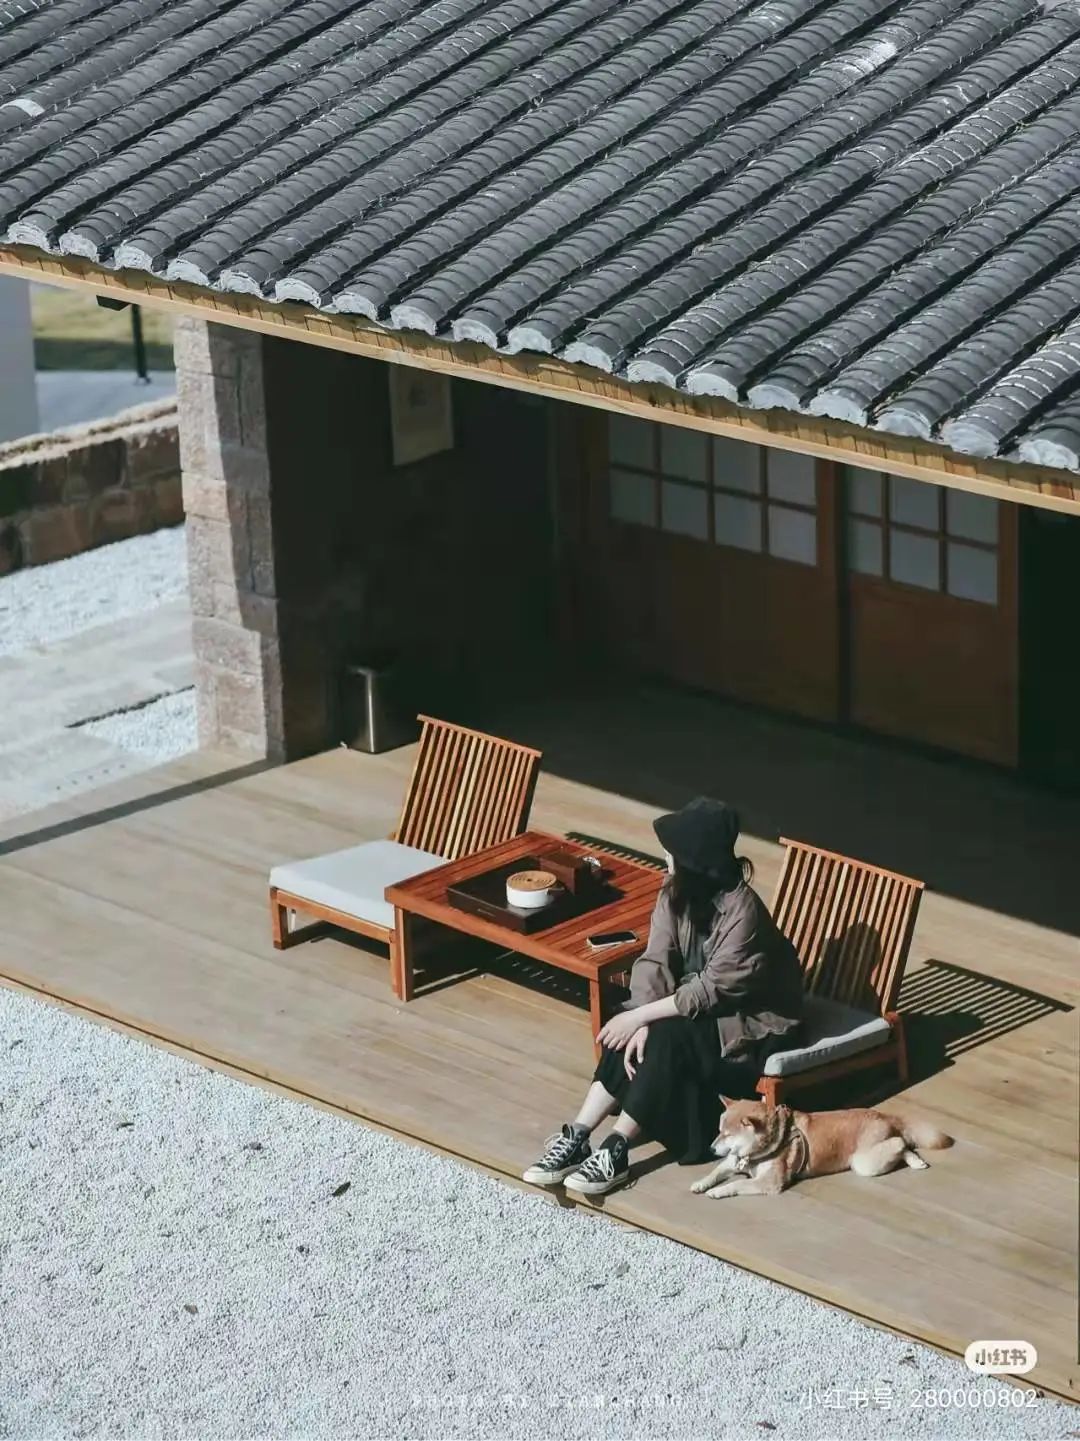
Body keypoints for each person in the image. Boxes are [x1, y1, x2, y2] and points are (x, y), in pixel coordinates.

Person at [522, 797, 805, 1196]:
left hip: (751, 1023)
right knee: (629, 1027)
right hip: (699, 1007)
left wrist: (644, 1019)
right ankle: (579, 1132)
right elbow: (654, 960)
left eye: (672, 853)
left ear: (695, 862)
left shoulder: (744, 913)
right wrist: (639, 1014)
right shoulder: (675, 892)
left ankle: (616, 1149)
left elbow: (713, 991)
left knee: (665, 1034)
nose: (665, 858)